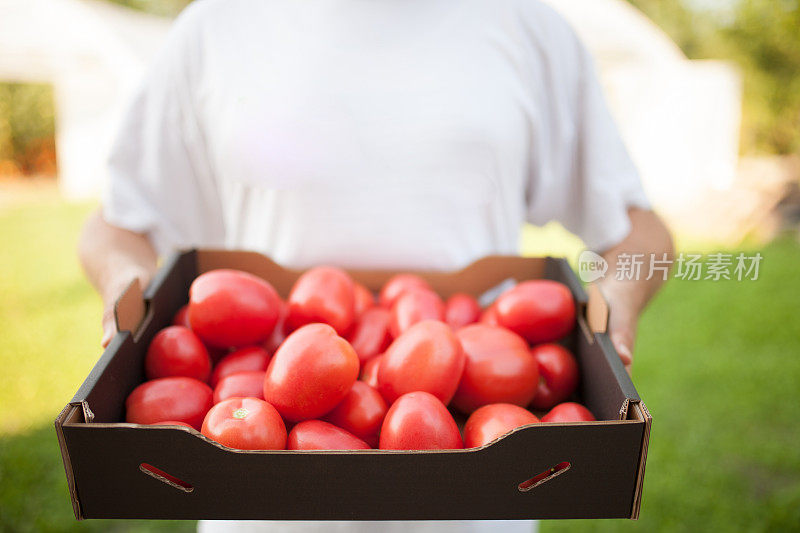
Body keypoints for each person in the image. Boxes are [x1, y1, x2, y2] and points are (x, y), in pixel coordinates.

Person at [78, 0, 673, 532]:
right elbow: (116, 225)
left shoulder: (531, 25)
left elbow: (642, 236)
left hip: (479, 504)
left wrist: (616, 301)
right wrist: (124, 287)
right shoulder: (213, 26)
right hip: (258, 507)